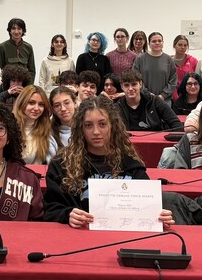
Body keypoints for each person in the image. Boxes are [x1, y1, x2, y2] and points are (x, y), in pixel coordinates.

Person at [43, 97, 175, 229]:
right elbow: (49, 209)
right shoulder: (62, 165)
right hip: (78, 234)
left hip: (121, 236)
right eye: (88, 125)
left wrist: (158, 217)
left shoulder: (130, 165)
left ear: (113, 126)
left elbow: (147, 206)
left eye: (102, 124)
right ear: (80, 128)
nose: (96, 132)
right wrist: (67, 215)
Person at [116, 70, 183, 132]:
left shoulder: (155, 101)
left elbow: (176, 123)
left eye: (134, 84)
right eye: (126, 85)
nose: (130, 88)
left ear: (140, 84)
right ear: (122, 87)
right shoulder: (117, 107)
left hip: (156, 139)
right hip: (128, 140)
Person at [13, 86, 54, 165]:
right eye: (31, 103)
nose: (36, 108)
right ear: (21, 103)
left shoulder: (45, 129)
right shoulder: (10, 128)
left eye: (41, 104)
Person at [132, 31, 178, 101]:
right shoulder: (140, 59)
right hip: (144, 99)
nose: (157, 43)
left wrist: (163, 95)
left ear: (163, 43)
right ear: (149, 44)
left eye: (159, 41)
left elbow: (173, 80)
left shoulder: (169, 60)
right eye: (154, 41)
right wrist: (147, 94)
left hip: (164, 100)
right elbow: (135, 78)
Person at [46, 86, 78, 160]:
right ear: (53, 110)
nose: (63, 109)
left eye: (67, 103)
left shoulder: (86, 128)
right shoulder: (50, 134)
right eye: (57, 105)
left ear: (75, 103)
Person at [171, 35, 199, 101]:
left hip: (189, 95)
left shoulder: (193, 61)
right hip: (172, 95)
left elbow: (197, 80)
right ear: (174, 45)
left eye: (185, 45)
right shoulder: (168, 61)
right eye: (180, 45)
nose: (183, 47)